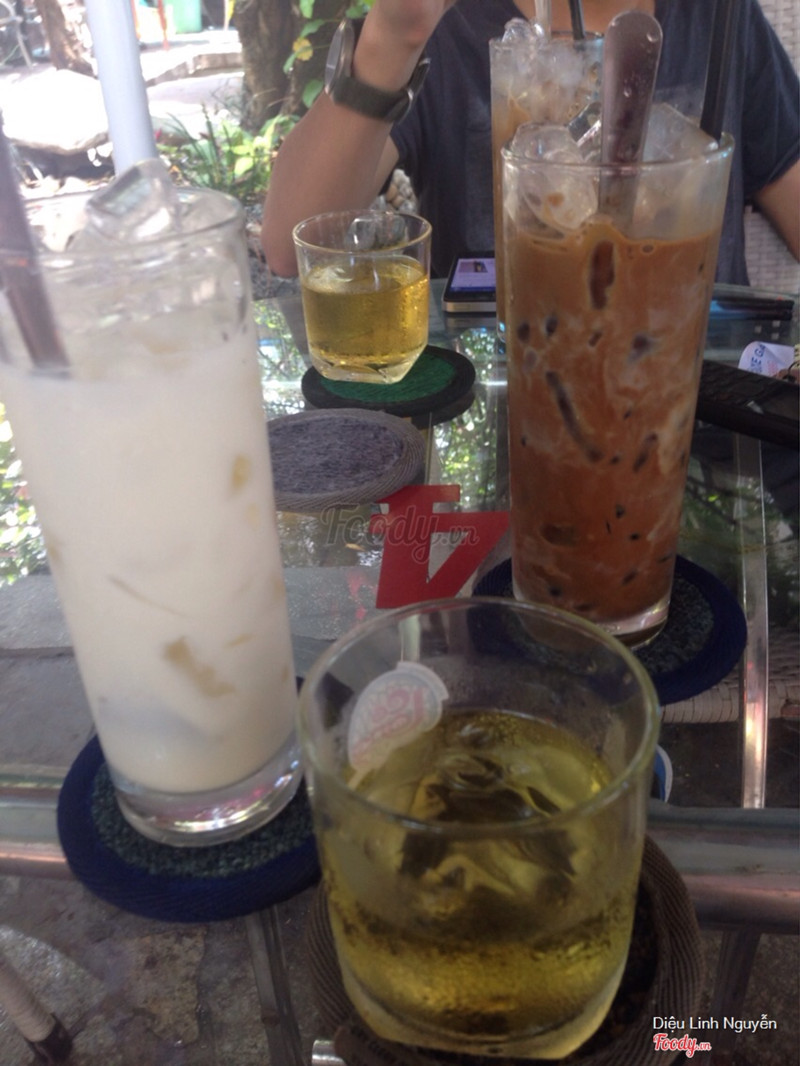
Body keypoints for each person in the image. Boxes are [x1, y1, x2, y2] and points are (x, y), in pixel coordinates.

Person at [262, 0, 799, 285]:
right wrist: (393, 37)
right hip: (510, 389)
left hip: (704, 400)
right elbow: (290, 246)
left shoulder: (722, 17)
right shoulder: (447, 26)